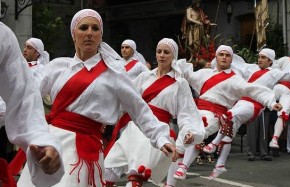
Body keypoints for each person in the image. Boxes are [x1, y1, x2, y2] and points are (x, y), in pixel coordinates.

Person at [17, 9, 177, 187]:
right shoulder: (57, 66)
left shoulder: (115, 74)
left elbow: (139, 110)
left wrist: (160, 137)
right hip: (50, 144)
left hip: (83, 151)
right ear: (73, 34)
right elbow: (27, 99)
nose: (89, 33)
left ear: (101, 35)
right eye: (83, 28)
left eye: (95, 29)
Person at [104, 38, 205, 187]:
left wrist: (190, 132)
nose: (162, 55)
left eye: (166, 52)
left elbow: (187, 111)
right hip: (134, 129)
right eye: (159, 52)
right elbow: (127, 99)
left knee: (136, 177)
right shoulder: (144, 77)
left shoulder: (180, 83)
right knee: (108, 170)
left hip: (157, 131)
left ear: (173, 56)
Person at [172, 45, 282, 181]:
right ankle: (173, 177)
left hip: (215, 115)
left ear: (231, 60)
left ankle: (183, 167)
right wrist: (175, 62)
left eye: (227, 55)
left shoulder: (235, 79)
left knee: (197, 132)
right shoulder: (204, 73)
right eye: (221, 54)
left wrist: (271, 102)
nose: (224, 57)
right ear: (216, 57)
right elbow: (188, 75)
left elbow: (252, 89)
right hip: (196, 110)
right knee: (181, 141)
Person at [203, 48, 290, 178]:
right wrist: (214, 64)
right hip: (242, 100)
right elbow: (236, 65)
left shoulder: (274, 72)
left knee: (229, 115)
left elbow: (286, 75)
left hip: (255, 104)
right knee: (229, 132)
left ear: (270, 61)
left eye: (263, 58)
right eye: (259, 57)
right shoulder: (251, 68)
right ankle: (220, 165)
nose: (260, 59)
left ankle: (213, 144)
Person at [0, 21, 63, 186]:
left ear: (37, 52)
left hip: (29, 114)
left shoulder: (4, 37)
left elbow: (24, 95)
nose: (25, 49)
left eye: (29, 47)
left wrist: (41, 139)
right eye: (25, 46)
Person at [269, 41, 290, 150]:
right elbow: (272, 69)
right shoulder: (284, 60)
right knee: (261, 99)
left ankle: (275, 139)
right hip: (278, 86)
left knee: (283, 113)